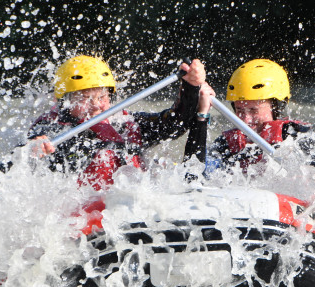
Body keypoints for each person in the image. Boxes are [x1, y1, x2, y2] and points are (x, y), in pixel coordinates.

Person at [27, 55, 214, 190]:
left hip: (127, 207)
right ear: (64, 102)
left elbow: (175, 124)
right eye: (85, 98)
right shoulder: (53, 127)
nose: (96, 106)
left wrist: (191, 87)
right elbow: (34, 141)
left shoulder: (124, 123)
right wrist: (36, 146)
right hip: (84, 211)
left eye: (102, 96)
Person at [188, 58, 315, 175]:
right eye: (240, 110)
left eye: (254, 110)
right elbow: (195, 174)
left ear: (276, 107)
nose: (246, 120)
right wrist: (202, 115)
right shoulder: (227, 143)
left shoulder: (298, 137)